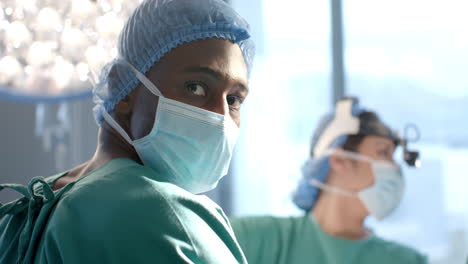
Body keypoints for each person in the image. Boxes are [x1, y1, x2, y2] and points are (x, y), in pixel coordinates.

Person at [0, 0, 255, 263]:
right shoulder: (155, 210)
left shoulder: (37, 205)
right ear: (122, 87)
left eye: (234, 99)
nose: (219, 115)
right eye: (195, 87)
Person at [230, 98, 428, 264]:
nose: (395, 168)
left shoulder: (407, 260)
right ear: (340, 160)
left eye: (394, 156)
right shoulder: (251, 238)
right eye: (383, 152)